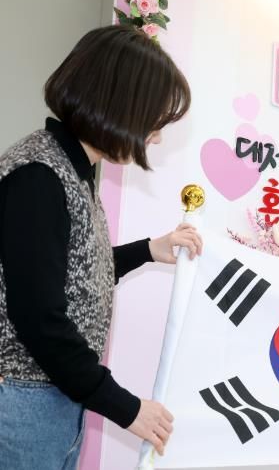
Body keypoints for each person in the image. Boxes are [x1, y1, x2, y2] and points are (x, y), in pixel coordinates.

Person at [0, 25, 202, 469]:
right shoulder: (38, 176)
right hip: (21, 403)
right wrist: (127, 409)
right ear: (121, 105)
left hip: (53, 399)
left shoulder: (72, 170)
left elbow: (69, 275)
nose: (156, 137)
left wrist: (148, 250)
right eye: (154, 121)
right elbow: (40, 319)